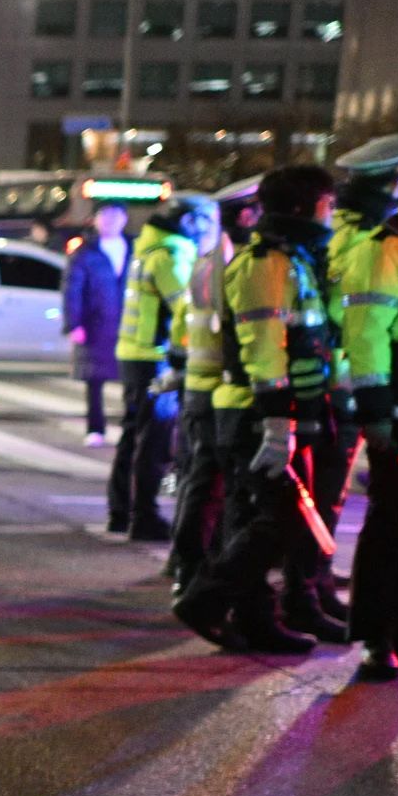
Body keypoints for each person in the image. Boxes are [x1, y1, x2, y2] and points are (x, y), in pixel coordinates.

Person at [172, 165, 342, 653]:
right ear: (301, 209)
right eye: (325, 205)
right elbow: (263, 348)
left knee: (255, 518)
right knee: (281, 519)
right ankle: (205, 599)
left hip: (277, 410)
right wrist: (276, 423)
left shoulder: (291, 260)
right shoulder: (263, 263)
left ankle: (254, 619)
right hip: (255, 412)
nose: (330, 214)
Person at [331, 136, 398, 679]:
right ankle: (377, 635)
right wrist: (377, 409)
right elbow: (365, 331)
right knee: (394, 521)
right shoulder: (394, 240)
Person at [108, 196, 215, 541]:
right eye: (205, 222)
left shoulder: (149, 248)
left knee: (134, 436)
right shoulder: (172, 255)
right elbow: (186, 309)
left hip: (134, 354)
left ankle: (121, 512)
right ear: (189, 222)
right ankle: (145, 516)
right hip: (154, 357)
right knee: (153, 439)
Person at [162, 182, 240, 595]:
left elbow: (181, 325)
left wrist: (178, 364)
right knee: (214, 486)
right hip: (218, 390)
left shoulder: (204, 263)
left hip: (197, 384)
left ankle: (184, 565)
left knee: (198, 480)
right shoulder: (231, 264)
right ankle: (198, 571)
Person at [62, 202, 128, 448]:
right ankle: (95, 427)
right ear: (96, 220)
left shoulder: (134, 249)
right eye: (104, 216)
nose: (110, 221)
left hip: (129, 324)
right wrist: (73, 324)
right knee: (94, 379)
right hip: (96, 324)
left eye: (115, 216)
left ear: (123, 219)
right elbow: (72, 289)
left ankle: (129, 426)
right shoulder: (86, 252)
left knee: (132, 379)